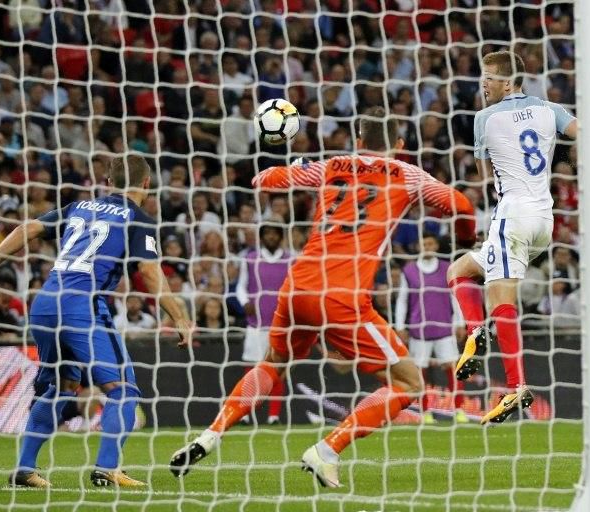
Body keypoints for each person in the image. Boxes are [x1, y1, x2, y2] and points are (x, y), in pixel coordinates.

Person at [169, 106, 476, 488]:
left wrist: (291, 164)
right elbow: (462, 205)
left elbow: (264, 180)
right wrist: (465, 240)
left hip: (297, 287)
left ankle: (211, 433)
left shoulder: (332, 165)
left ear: (359, 141)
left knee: (273, 363)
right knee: (410, 383)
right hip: (342, 296)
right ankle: (328, 449)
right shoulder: (410, 175)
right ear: (398, 144)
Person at [0, 155, 193, 488]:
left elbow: (30, 228)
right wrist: (180, 317)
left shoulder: (79, 207)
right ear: (146, 184)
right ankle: (107, 467)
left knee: (61, 387)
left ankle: (25, 468)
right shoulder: (139, 218)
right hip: (82, 307)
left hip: (44, 304)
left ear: (107, 182)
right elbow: (148, 271)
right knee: (122, 390)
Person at [447, 51, 590, 424]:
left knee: (499, 299)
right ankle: (480, 337)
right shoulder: (551, 109)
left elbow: (481, 172)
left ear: (508, 82)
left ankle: (511, 381)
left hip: (512, 215)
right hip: (544, 221)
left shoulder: (483, 118)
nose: (483, 85)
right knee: (459, 270)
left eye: (488, 79)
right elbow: (586, 135)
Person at [395, 233, 468, 425]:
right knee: (420, 374)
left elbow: (455, 296)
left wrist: (460, 322)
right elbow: (402, 301)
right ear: (418, 247)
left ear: (435, 245)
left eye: (430, 243)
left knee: (453, 370)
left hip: (444, 328)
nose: (427, 246)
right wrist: (400, 327)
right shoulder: (409, 271)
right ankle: (425, 412)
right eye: (423, 244)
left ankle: (459, 410)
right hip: (419, 330)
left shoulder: (447, 268)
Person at [235, 222, 291, 425]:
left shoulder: (290, 260)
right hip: (255, 324)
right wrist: (245, 302)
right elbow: (240, 287)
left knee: (278, 370)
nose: (271, 237)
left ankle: (274, 416)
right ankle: (245, 413)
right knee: (251, 368)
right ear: (261, 237)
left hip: (280, 325)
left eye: (274, 233)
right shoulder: (250, 259)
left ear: (280, 236)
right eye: (267, 233)